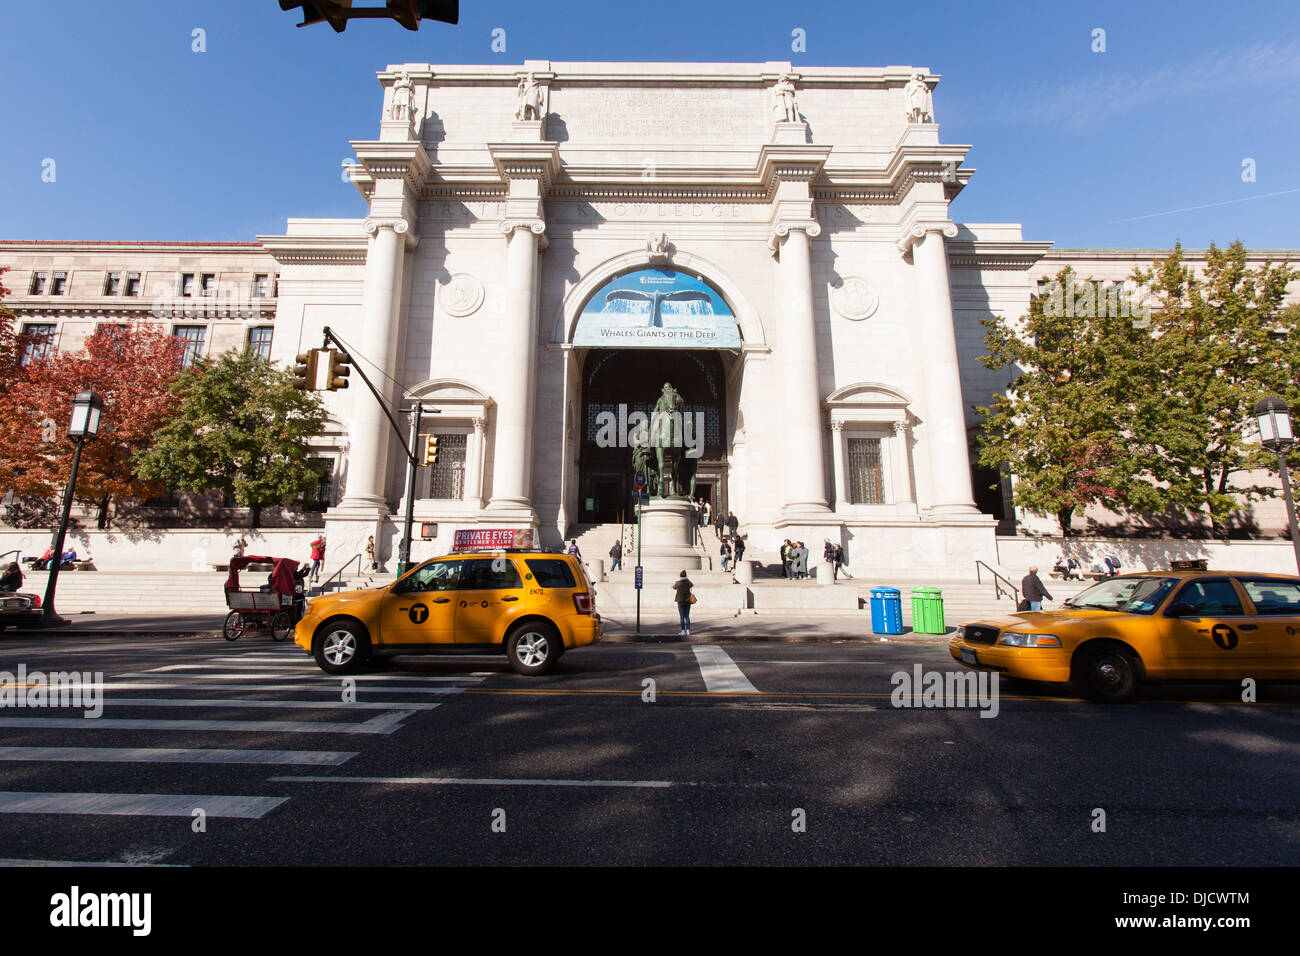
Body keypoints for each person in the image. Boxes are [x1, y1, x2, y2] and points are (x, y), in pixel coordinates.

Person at [673, 569, 694, 636]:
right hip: (687, 601)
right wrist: (687, 579)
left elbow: (674, 587)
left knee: (682, 617)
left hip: (680, 601)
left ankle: (683, 631)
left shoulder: (678, 583)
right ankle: (688, 631)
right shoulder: (688, 582)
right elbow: (692, 585)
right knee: (687, 616)